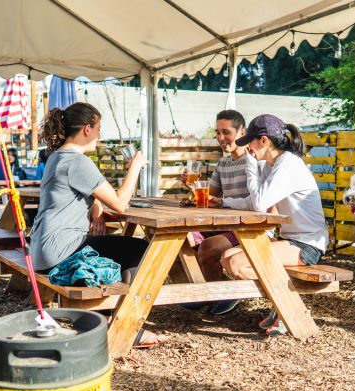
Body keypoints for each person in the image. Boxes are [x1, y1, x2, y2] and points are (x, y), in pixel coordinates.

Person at [29, 102, 167, 348]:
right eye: (98, 128)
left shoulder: (57, 157)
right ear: (86, 129)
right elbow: (120, 204)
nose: (100, 135)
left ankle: (104, 315)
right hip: (61, 251)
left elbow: (84, 195)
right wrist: (134, 167)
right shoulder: (77, 161)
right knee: (143, 251)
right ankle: (126, 325)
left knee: (126, 249)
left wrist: (95, 211)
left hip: (42, 248)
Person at [214, 114, 329, 336]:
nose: (247, 148)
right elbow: (253, 202)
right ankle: (281, 305)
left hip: (307, 244)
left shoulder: (287, 165)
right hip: (290, 239)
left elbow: (259, 204)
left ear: (264, 141)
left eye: (249, 142)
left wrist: (249, 164)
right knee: (227, 257)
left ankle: (285, 307)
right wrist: (223, 202)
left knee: (238, 264)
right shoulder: (272, 164)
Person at [180, 109, 263, 315]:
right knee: (181, 240)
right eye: (217, 133)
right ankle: (210, 292)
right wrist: (192, 187)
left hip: (248, 228)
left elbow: (261, 202)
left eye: (226, 132)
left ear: (242, 132)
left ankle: (221, 293)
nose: (221, 138)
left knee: (207, 248)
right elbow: (210, 198)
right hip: (224, 226)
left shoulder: (255, 162)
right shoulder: (223, 163)